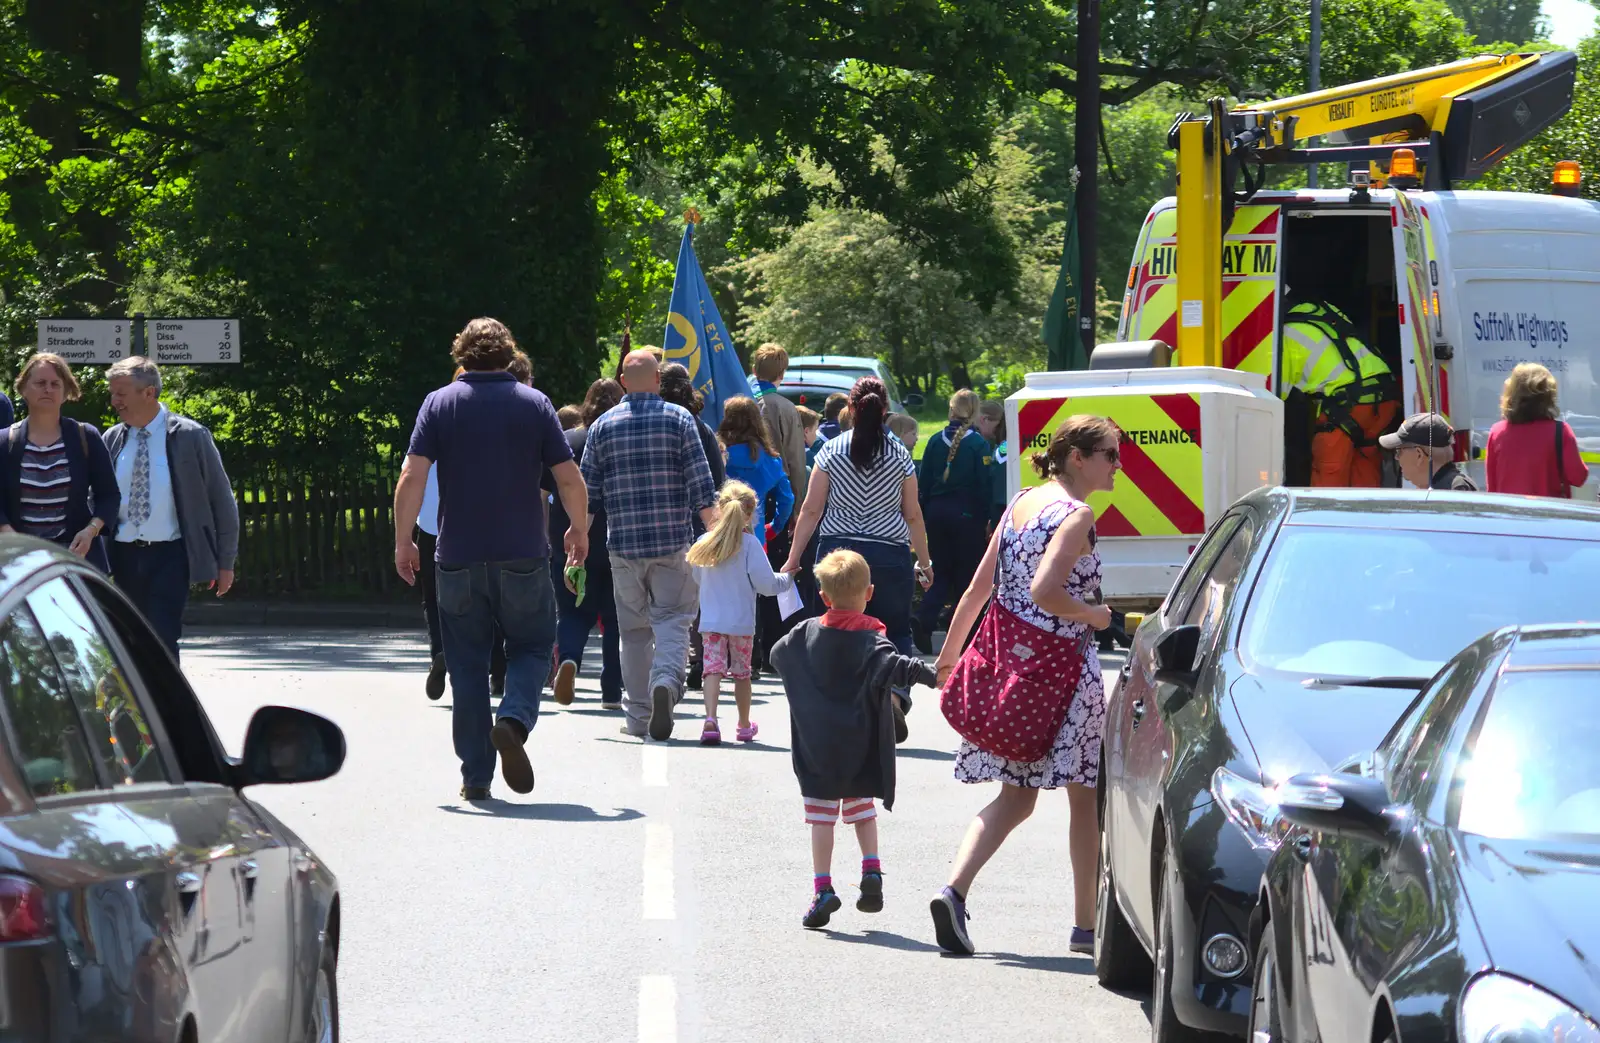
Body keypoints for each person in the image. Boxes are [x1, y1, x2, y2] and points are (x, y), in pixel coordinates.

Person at [928, 414, 1118, 956]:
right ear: (1077, 457)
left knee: (1015, 798)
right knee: (1085, 801)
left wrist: (949, 660)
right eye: (1109, 454)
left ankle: (954, 890)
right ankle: (1085, 927)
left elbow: (976, 590)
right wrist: (1096, 616)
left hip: (1015, 675)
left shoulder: (1019, 504)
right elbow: (1045, 591)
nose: (1117, 465)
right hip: (1065, 678)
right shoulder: (1076, 514)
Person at [394, 318, 589, 801]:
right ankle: (514, 720)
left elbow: (412, 476)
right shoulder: (534, 403)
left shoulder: (439, 403)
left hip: (458, 555)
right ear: (508, 354)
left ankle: (475, 776)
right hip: (522, 552)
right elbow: (567, 477)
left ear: (461, 355)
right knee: (532, 646)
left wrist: (403, 540)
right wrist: (578, 530)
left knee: (465, 665)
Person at [770, 548, 937, 929]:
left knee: (821, 819)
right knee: (862, 811)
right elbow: (900, 667)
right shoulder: (873, 640)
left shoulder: (805, 633)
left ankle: (823, 889)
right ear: (870, 593)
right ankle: (872, 871)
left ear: (824, 597)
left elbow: (780, 656)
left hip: (819, 751)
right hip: (861, 747)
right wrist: (935, 676)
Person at [782, 376, 932, 738]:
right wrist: (925, 563)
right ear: (885, 412)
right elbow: (912, 514)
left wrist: (793, 558)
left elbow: (811, 510)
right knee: (895, 629)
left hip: (837, 553)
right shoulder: (900, 455)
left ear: (850, 409)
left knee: (833, 629)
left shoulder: (831, 452)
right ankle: (895, 698)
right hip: (889, 555)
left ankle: (833, 706)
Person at [581, 349, 718, 741]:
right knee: (674, 620)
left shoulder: (603, 426)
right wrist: (714, 535)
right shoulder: (679, 420)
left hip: (623, 546)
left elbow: (588, 494)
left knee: (634, 631)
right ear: (658, 379)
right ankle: (666, 683)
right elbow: (701, 486)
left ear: (623, 381)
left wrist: (578, 541)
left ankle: (639, 716)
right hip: (672, 542)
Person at [102, 357, 240, 659]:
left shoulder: (190, 436)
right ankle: (132, 705)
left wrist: (225, 561)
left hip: (170, 555)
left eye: (121, 393)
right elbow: (97, 500)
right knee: (127, 640)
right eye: (113, 393)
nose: (114, 401)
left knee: (162, 638)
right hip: (123, 556)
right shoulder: (112, 439)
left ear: (148, 393)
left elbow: (222, 500)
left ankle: (168, 705)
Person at [1240, 298, 1399, 487]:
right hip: (1384, 396)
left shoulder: (1284, 338)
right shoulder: (1321, 310)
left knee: (1329, 474)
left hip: (1347, 405)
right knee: (1364, 466)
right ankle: (1366, 514)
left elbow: (1274, 397)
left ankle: (1327, 516)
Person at [686, 481, 794, 745]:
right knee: (741, 673)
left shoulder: (704, 543)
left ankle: (710, 720)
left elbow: (696, 576)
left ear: (718, 509)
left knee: (711, 670)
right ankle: (744, 724)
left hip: (711, 621)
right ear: (751, 514)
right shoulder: (750, 545)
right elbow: (767, 585)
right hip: (742, 623)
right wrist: (788, 579)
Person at [544, 378, 625, 710]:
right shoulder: (624, 438)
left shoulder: (568, 441)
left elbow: (542, 492)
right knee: (616, 617)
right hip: (618, 541)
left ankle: (570, 660)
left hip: (571, 539)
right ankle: (611, 690)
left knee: (573, 612)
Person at [0, 354, 118, 573]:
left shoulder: (86, 436)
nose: (48, 389)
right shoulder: (5, 441)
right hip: (19, 564)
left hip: (76, 560)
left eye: (55, 384)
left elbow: (109, 496)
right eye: (40, 383)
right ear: (24, 389)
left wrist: (90, 531)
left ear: (66, 393)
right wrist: (10, 535)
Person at [912, 390, 993, 653]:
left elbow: (922, 484)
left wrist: (925, 516)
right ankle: (962, 633)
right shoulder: (979, 444)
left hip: (936, 515)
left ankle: (924, 617)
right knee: (965, 577)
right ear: (975, 412)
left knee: (941, 571)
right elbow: (985, 488)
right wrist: (987, 520)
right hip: (966, 518)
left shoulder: (934, 440)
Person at [1486, 362, 1589, 498]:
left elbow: (1492, 489)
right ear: (1548, 397)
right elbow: (1578, 477)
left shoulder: (1497, 432)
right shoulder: (1560, 431)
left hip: (1509, 516)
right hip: (1548, 516)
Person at [719, 396, 794, 548]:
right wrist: (775, 527)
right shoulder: (771, 460)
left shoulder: (716, 455)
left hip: (719, 536)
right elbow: (787, 499)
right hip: (756, 538)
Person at [749, 344, 809, 508]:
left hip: (736, 496)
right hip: (775, 501)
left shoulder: (735, 403)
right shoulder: (787, 409)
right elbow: (795, 461)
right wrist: (796, 506)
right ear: (782, 374)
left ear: (754, 371)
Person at [1380, 413, 1477, 491]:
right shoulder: (1439, 488)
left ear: (1419, 455)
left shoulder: (1455, 491)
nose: (1396, 457)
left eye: (1399, 451)